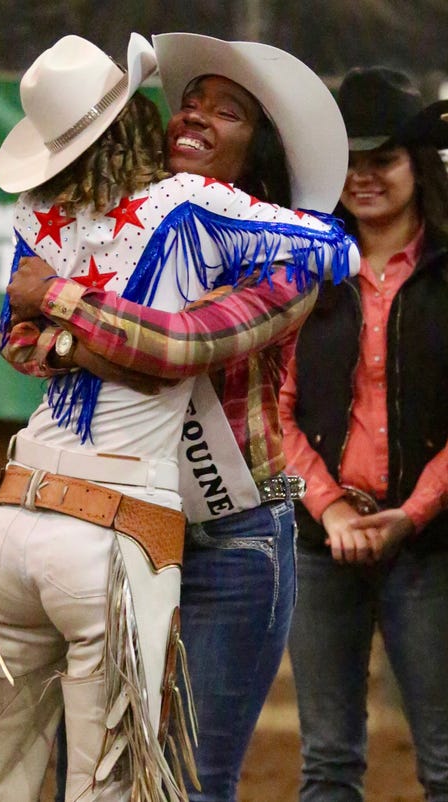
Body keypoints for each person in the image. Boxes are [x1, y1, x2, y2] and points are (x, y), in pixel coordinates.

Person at [0, 33, 356, 802]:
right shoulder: (118, 220)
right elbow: (16, 338)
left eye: (228, 111)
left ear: (263, 149)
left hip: (228, 535)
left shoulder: (280, 261)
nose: (196, 117)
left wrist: (59, 307)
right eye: (190, 102)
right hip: (118, 520)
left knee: (183, 776)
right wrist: (76, 331)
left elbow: (176, 346)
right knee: (94, 769)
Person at [279, 66, 448, 801]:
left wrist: (412, 513)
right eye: (351, 162)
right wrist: (331, 509)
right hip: (320, 544)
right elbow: (272, 415)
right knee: (327, 761)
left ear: (418, 165)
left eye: (384, 159)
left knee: (445, 760)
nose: (365, 177)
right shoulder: (302, 271)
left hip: (432, 545)